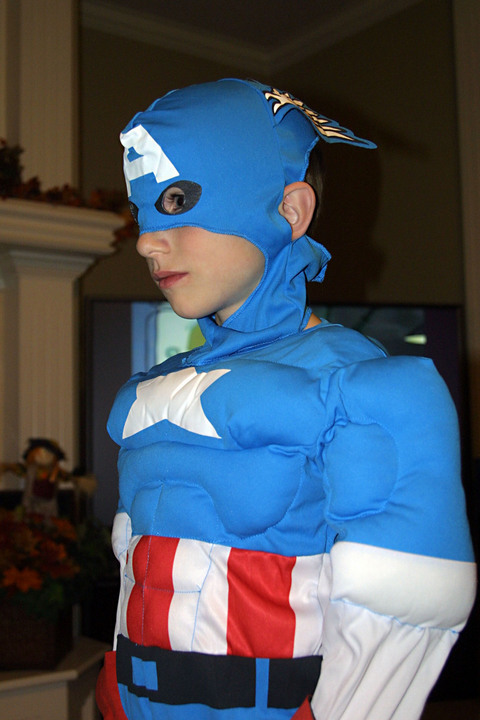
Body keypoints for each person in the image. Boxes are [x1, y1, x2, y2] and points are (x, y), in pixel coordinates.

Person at [96, 78, 476, 720]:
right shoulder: (152, 392)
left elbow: (406, 600)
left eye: (178, 201)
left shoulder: (357, 386)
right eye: (143, 214)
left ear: (290, 211)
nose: (147, 241)